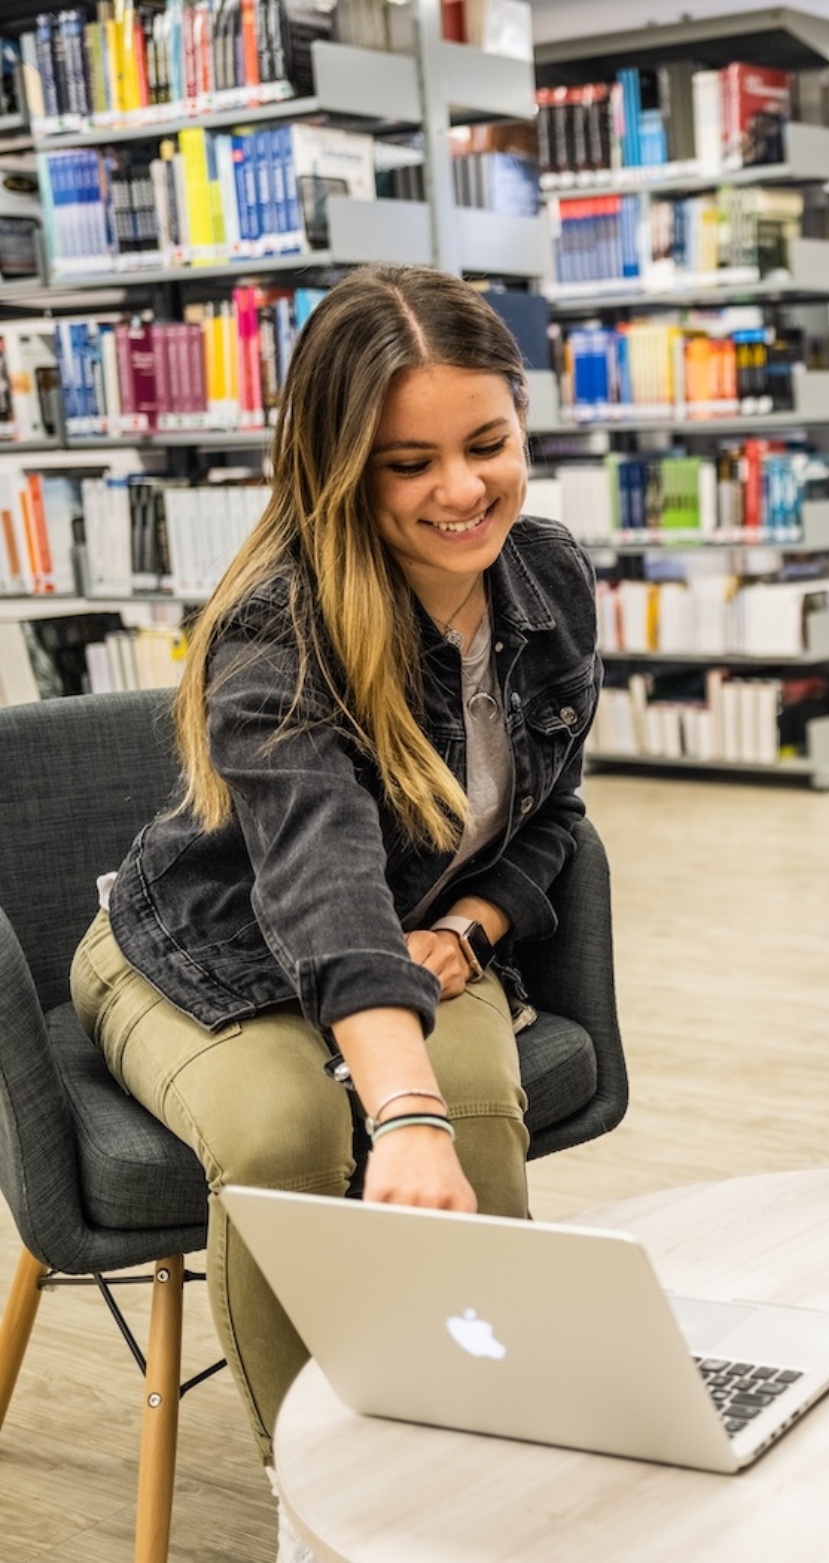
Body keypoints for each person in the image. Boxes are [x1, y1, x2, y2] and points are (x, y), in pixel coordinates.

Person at [69, 266, 599, 1505]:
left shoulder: (551, 577)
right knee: (286, 1132)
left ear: (524, 423)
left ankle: (490, 1461)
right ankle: (326, 1498)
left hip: (411, 938)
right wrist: (396, 1109)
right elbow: (318, 872)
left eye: (487, 444)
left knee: (469, 1095)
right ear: (338, 465)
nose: (462, 491)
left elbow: (554, 812)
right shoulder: (277, 623)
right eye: (408, 462)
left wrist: (476, 919)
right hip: (206, 953)